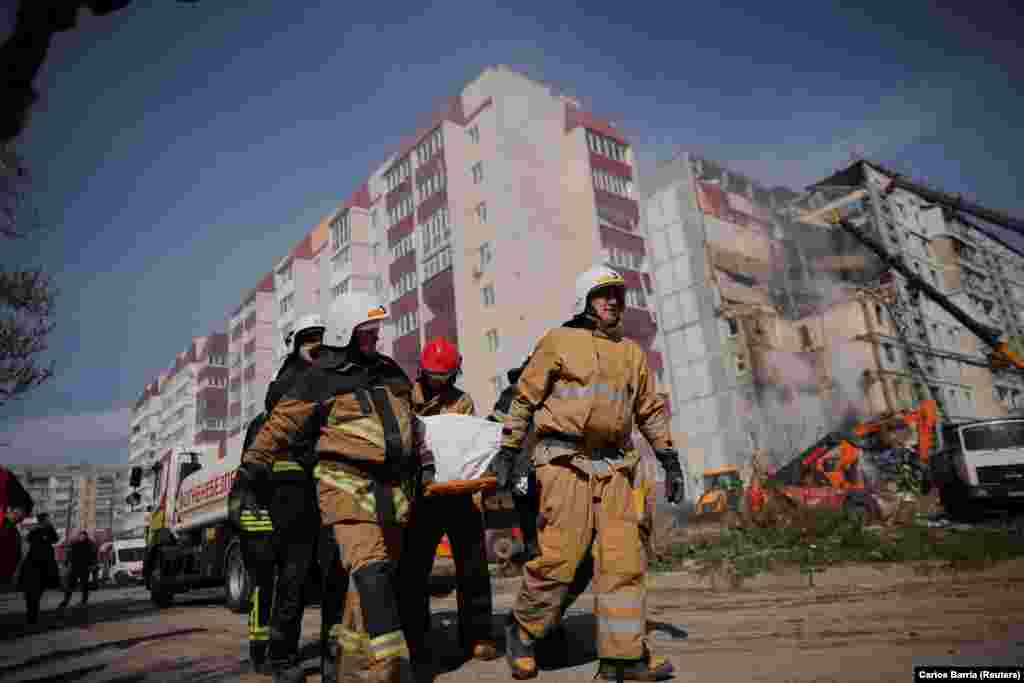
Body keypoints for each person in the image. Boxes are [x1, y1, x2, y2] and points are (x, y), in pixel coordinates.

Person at [490, 264, 686, 681]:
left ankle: (622, 659)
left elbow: (650, 411)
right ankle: (523, 630)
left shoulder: (631, 353)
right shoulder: (558, 341)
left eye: (618, 294)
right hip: (563, 464)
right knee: (560, 558)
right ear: (583, 301)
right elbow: (523, 399)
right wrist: (508, 451)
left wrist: (669, 458)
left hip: (615, 467)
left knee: (623, 563)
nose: (614, 301)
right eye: (604, 294)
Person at [238, 291, 435, 682]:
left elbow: (413, 422)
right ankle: (391, 671)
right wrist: (249, 475)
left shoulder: (391, 371)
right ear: (346, 331)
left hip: (393, 490)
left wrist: (425, 463)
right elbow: (279, 426)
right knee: (372, 572)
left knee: (368, 584)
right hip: (344, 485)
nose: (376, 338)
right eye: (367, 331)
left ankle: (343, 669)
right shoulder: (319, 378)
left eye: (376, 330)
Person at [229, 313, 329, 681]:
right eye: (310, 338)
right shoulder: (266, 419)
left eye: (321, 337)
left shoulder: (320, 400)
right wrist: (254, 526)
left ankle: (280, 654)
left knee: (295, 584)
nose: (317, 344)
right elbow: (246, 483)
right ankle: (267, 651)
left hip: (305, 509)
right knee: (269, 586)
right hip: (272, 516)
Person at [397, 337, 497, 672]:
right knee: (413, 571)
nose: (439, 382)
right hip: (422, 498)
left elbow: (467, 444)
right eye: (433, 376)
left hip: (458, 496)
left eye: (445, 376)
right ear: (422, 372)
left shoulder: (462, 401)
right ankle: (418, 639)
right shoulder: (405, 398)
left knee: (473, 567)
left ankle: (478, 635)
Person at [18, 512, 60, 625]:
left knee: (36, 592)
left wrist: (46, 536)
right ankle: (32, 615)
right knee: (33, 592)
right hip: (36, 563)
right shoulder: (35, 530)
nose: (50, 520)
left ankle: (32, 614)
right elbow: (28, 540)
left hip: (42, 564)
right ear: (44, 520)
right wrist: (44, 538)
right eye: (48, 518)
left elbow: (56, 539)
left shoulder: (48, 529)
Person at [59, 530, 97, 609]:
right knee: (70, 585)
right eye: (81, 536)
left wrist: (93, 564)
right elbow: (69, 554)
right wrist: (66, 561)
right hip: (75, 568)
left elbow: (93, 555)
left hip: (84, 568)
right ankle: (66, 601)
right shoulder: (75, 544)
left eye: (83, 536)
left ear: (86, 536)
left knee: (84, 586)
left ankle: (84, 601)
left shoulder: (90, 544)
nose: (82, 537)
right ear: (79, 536)